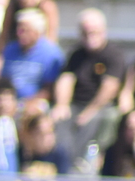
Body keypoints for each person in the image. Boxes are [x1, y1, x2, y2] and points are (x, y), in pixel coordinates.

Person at [51, 8, 125, 162]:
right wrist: (61, 104)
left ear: (103, 30)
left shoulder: (113, 54)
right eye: (85, 32)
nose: (90, 37)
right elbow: (66, 79)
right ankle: (63, 162)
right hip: (75, 103)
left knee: (93, 121)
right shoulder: (76, 54)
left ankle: (77, 164)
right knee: (58, 117)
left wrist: (89, 112)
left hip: (100, 107)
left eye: (94, 32)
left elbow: (110, 88)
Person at [0, 9, 63, 115]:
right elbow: (3, 82)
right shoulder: (10, 50)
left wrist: (25, 103)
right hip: (9, 100)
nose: (19, 33)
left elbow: (49, 89)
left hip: (36, 101)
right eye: (19, 29)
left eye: (25, 30)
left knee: (34, 110)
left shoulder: (51, 53)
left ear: (37, 32)